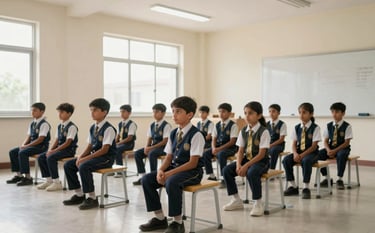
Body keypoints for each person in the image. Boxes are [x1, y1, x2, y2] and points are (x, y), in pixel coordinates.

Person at [139, 96, 205, 233]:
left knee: (172, 182)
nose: (174, 115)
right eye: (173, 111)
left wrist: (168, 174)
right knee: (146, 179)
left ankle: (177, 222)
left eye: (178, 111)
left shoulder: (196, 135)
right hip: (174, 168)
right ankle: (159, 218)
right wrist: (160, 170)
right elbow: (168, 157)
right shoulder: (174, 133)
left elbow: (193, 163)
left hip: (193, 172)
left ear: (190, 115)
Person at [63, 98, 116, 210]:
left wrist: (85, 159)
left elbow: (104, 150)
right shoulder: (93, 127)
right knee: (68, 165)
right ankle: (79, 194)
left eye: (95, 110)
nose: (92, 113)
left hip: (106, 159)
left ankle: (92, 198)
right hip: (95, 157)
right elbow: (90, 146)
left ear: (104, 112)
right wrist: (80, 157)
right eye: (91, 110)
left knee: (84, 166)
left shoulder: (109, 129)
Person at [222, 101, 270, 216]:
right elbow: (240, 151)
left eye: (250, 113)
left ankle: (258, 203)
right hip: (247, 159)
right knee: (226, 170)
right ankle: (236, 200)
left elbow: (261, 154)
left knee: (252, 172)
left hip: (261, 161)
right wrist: (239, 165)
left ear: (259, 115)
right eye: (245, 113)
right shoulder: (243, 130)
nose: (247, 116)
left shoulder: (264, 131)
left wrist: (246, 166)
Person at [282, 102, 321, 199]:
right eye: (300, 112)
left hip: (312, 153)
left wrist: (302, 155)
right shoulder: (297, 127)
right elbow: (294, 144)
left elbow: (313, 146)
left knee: (306, 160)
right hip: (299, 152)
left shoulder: (315, 128)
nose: (301, 115)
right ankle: (293, 186)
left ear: (311, 114)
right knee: (286, 160)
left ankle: (305, 188)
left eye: (304, 112)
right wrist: (295, 154)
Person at [7, 102, 51, 186]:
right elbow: (28, 136)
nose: (32, 112)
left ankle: (28, 177)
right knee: (13, 151)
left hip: (41, 147)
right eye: (32, 110)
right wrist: (23, 145)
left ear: (42, 112)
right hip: (32, 146)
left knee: (22, 152)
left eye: (35, 110)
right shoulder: (32, 123)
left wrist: (26, 146)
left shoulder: (44, 124)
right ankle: (19, 175)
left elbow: (40, 139)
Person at [36, 103, 78, 191]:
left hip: (68, 150)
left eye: (62, 112)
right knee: (41, 157)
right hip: (60, 149)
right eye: (59, 112)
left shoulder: (72, 127)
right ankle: (49, 180)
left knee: (51, 157)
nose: (59, 114)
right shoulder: (60, 126)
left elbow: (68, 142)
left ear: (69, 114)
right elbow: (56, 140)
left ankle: (57, 182)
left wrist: (53, 151)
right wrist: (50, 150)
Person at [133, 103, 172, 185]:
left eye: (157, 112)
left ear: (163, 113)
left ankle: (153, 175)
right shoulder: (152, 125)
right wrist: (146, 147)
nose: (154, 114)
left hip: (163, 148)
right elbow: (149, 138)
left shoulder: (166, 125)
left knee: (152, 154)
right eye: (153, 112)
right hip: (153, 147)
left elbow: (165, 141)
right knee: (137, 153)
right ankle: (142, 176)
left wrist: (150, 148)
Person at [319, 102, 353, 190]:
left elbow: (346, 142)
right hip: (331, 147)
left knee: (341, 155)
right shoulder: (329, 126)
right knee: (318, 155)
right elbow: (326, 141)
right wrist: (328, 150)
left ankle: (339, 179)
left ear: (343, 113)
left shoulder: (347, 126)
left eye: (337, 112)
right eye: (332, 112)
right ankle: (327, 178)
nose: (334, 114)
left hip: (343, 148)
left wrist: (335, 151)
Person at [202, 103, 238, 186]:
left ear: (229, 113)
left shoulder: (233, 125)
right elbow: (213, 138)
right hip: (218, 147)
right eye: (220, 112)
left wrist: (219, 149)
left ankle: (224, 178)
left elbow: (232, 141)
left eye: (224, 112)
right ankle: (211, 175)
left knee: (221, 154)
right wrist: (214, 147)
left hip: (230, 148)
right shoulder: (217, 125)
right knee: (206, 153)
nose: (221, 114)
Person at [114, 104, 137, 178]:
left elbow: (129, 138)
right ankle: (111, 169)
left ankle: (120, 171)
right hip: (120, 143)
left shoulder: (132, 124)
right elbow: (118, 135)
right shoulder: (120, 124)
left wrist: (119, 143)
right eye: (120, 112)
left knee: (117, 149)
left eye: (123, 112)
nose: (121, 114)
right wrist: (114, 143)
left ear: (129, 113)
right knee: (110, 148)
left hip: (128, 144)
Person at [267, 104, 287, 169]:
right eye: (269, 111)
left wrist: (271, 145)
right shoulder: (266, 124)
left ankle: (271, 170)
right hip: (268, 145)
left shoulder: (282, 124)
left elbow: (281, 139)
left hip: (278, 145)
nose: (271, 113)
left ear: (278, 113)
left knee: (273, 150)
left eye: (273, 111)